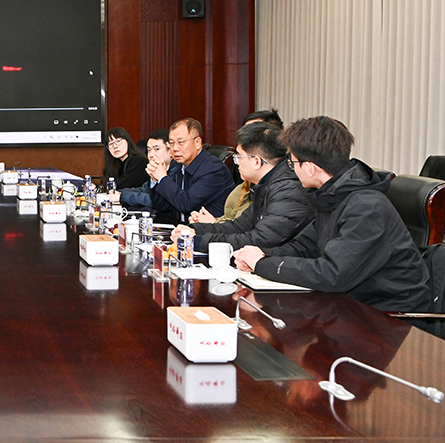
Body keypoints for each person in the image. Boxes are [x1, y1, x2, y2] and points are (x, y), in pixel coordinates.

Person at [233, 116, 430, 312]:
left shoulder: (366, 207)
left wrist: (262, 264)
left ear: (310, 168)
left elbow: (332, 274)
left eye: (292, 163)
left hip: (388, 315)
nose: (290, 170)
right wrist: (260, 256)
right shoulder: (331, 195)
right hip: (348, 304)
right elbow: (303, 248)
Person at [172, 121, 311, 251]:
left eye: (239, 156)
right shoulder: (266, 185)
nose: (236, 162)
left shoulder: (288, 191)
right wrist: (195, 230)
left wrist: (197, 241)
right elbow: (239, 226)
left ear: (257, 162)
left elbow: (258, 240)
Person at [190, 108, 285, 225]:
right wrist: (214, 222)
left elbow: (255, 232)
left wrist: (213, 224)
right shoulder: (249, 181)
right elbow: (239, 224)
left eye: (254, 132)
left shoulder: (282, 187)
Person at [149, 118, 234, 222]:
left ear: (197, 142)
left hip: (208, 230)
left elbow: (186, 204)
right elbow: (162, 206)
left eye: (180, 142)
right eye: (171, 143)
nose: (175, 148)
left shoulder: (214, 170)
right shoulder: (178, 166)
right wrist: (155, 180)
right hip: (181, 227)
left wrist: (162, 178)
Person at [112, 130, 179, 224]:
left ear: (170, 151)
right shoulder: (157, 169)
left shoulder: (177, 172)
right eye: (149, 150)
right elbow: (144, 189)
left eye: (157, 149)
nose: (151, 155)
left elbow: (154, 200)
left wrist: (122, 197)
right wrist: (119, 193)